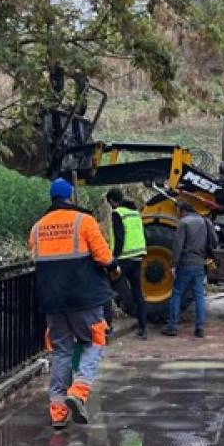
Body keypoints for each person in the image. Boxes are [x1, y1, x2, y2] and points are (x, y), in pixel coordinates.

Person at [30, 177, 119, 428]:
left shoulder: (37, 227)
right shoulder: (84, 221)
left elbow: (37, 260)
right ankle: (78, 392)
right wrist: (114, 270)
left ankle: (58, 413)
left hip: (51, 300)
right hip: (84, 297)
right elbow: (104, 256)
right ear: (71, 196)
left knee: (61, 351)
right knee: (94, 340)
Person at [163, 201, 217, 338]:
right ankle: (199, 328)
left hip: (185, 264)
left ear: (182, 210)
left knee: (176, 293)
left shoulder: (183, 223)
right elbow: (214, 241)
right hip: (200, 263)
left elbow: (177, 246)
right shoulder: (205, 222)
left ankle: (172, 327)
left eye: (178, 211)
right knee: (199, 295)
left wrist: (173, 265)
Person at [107, 188, 148, 340]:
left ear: (112, 200)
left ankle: (108, 326)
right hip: (137, 257)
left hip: (124, 258)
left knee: (107, 287)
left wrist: (113, 257)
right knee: (138, 292)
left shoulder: (118, 213)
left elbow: (119, 237)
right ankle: (143, 328)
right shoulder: (135, 212)